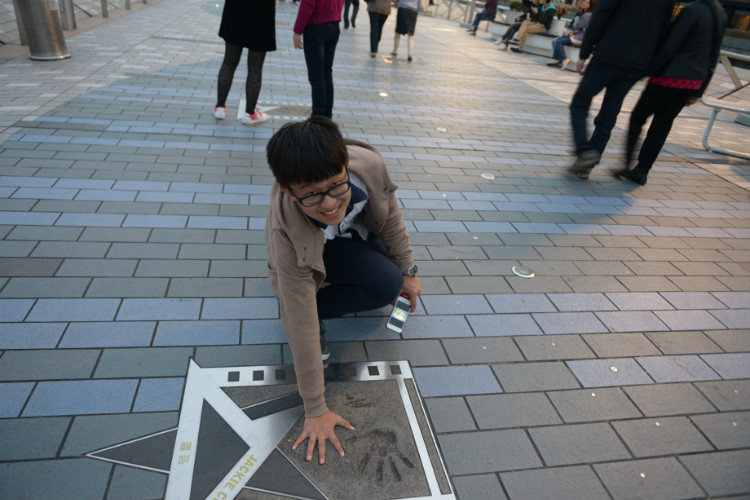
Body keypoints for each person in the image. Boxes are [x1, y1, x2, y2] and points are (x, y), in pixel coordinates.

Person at [265, 117, 422, 465]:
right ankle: (320, 305)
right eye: (312, 194)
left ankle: (348, 282)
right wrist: (315, 408)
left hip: (347, 238)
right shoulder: (285, 235)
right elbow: (300, 324)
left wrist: (409, 271)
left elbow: (391, 216)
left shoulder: (369, 167)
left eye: (337, 185)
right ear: (289, 191)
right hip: (310, 253)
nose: (330, 203)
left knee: (390, 279)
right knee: (305, 311)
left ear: (345, 167)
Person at [616, 0, 727, 186]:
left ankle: (627, 164)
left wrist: (648, 70)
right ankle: (642, 170)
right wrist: (699, 90)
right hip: (692, 82)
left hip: (668, 77)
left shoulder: (692, 10)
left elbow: (671, 45)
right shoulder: (720, 15)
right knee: (662, 124)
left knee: (637, 117)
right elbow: (713, 56)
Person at [568, 0, 675, 180]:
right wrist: (647, 68)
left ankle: (584, 151)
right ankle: (589, 162)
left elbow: (600, 17)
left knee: (579, 103)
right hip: (635, 65)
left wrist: (584, 53)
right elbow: (664, 32)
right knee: (610, 111)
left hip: (607, 56)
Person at [214, 0, 276, 125]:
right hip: (261, 12)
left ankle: (220, 107)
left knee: (229, 61)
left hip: (236, 9)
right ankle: (249, 113)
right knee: (255, 67)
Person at [293, 0, 345, 118]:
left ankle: (318, 117)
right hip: (334, 25)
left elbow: (308, 4)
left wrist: (298, 30)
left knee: (317, 77)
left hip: (316, 26)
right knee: (327, 73)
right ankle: (327, 117)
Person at [547, 0, 596, 70]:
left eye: (586, 2)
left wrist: (569, 32)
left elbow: (577, 26)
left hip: (580, 38)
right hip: (577, 35)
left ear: (590, 5)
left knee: (558, 41)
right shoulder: (584, 13)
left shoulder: (587, 15)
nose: (583, 3)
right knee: (555, 40)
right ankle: (556, 59)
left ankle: (564, 59)